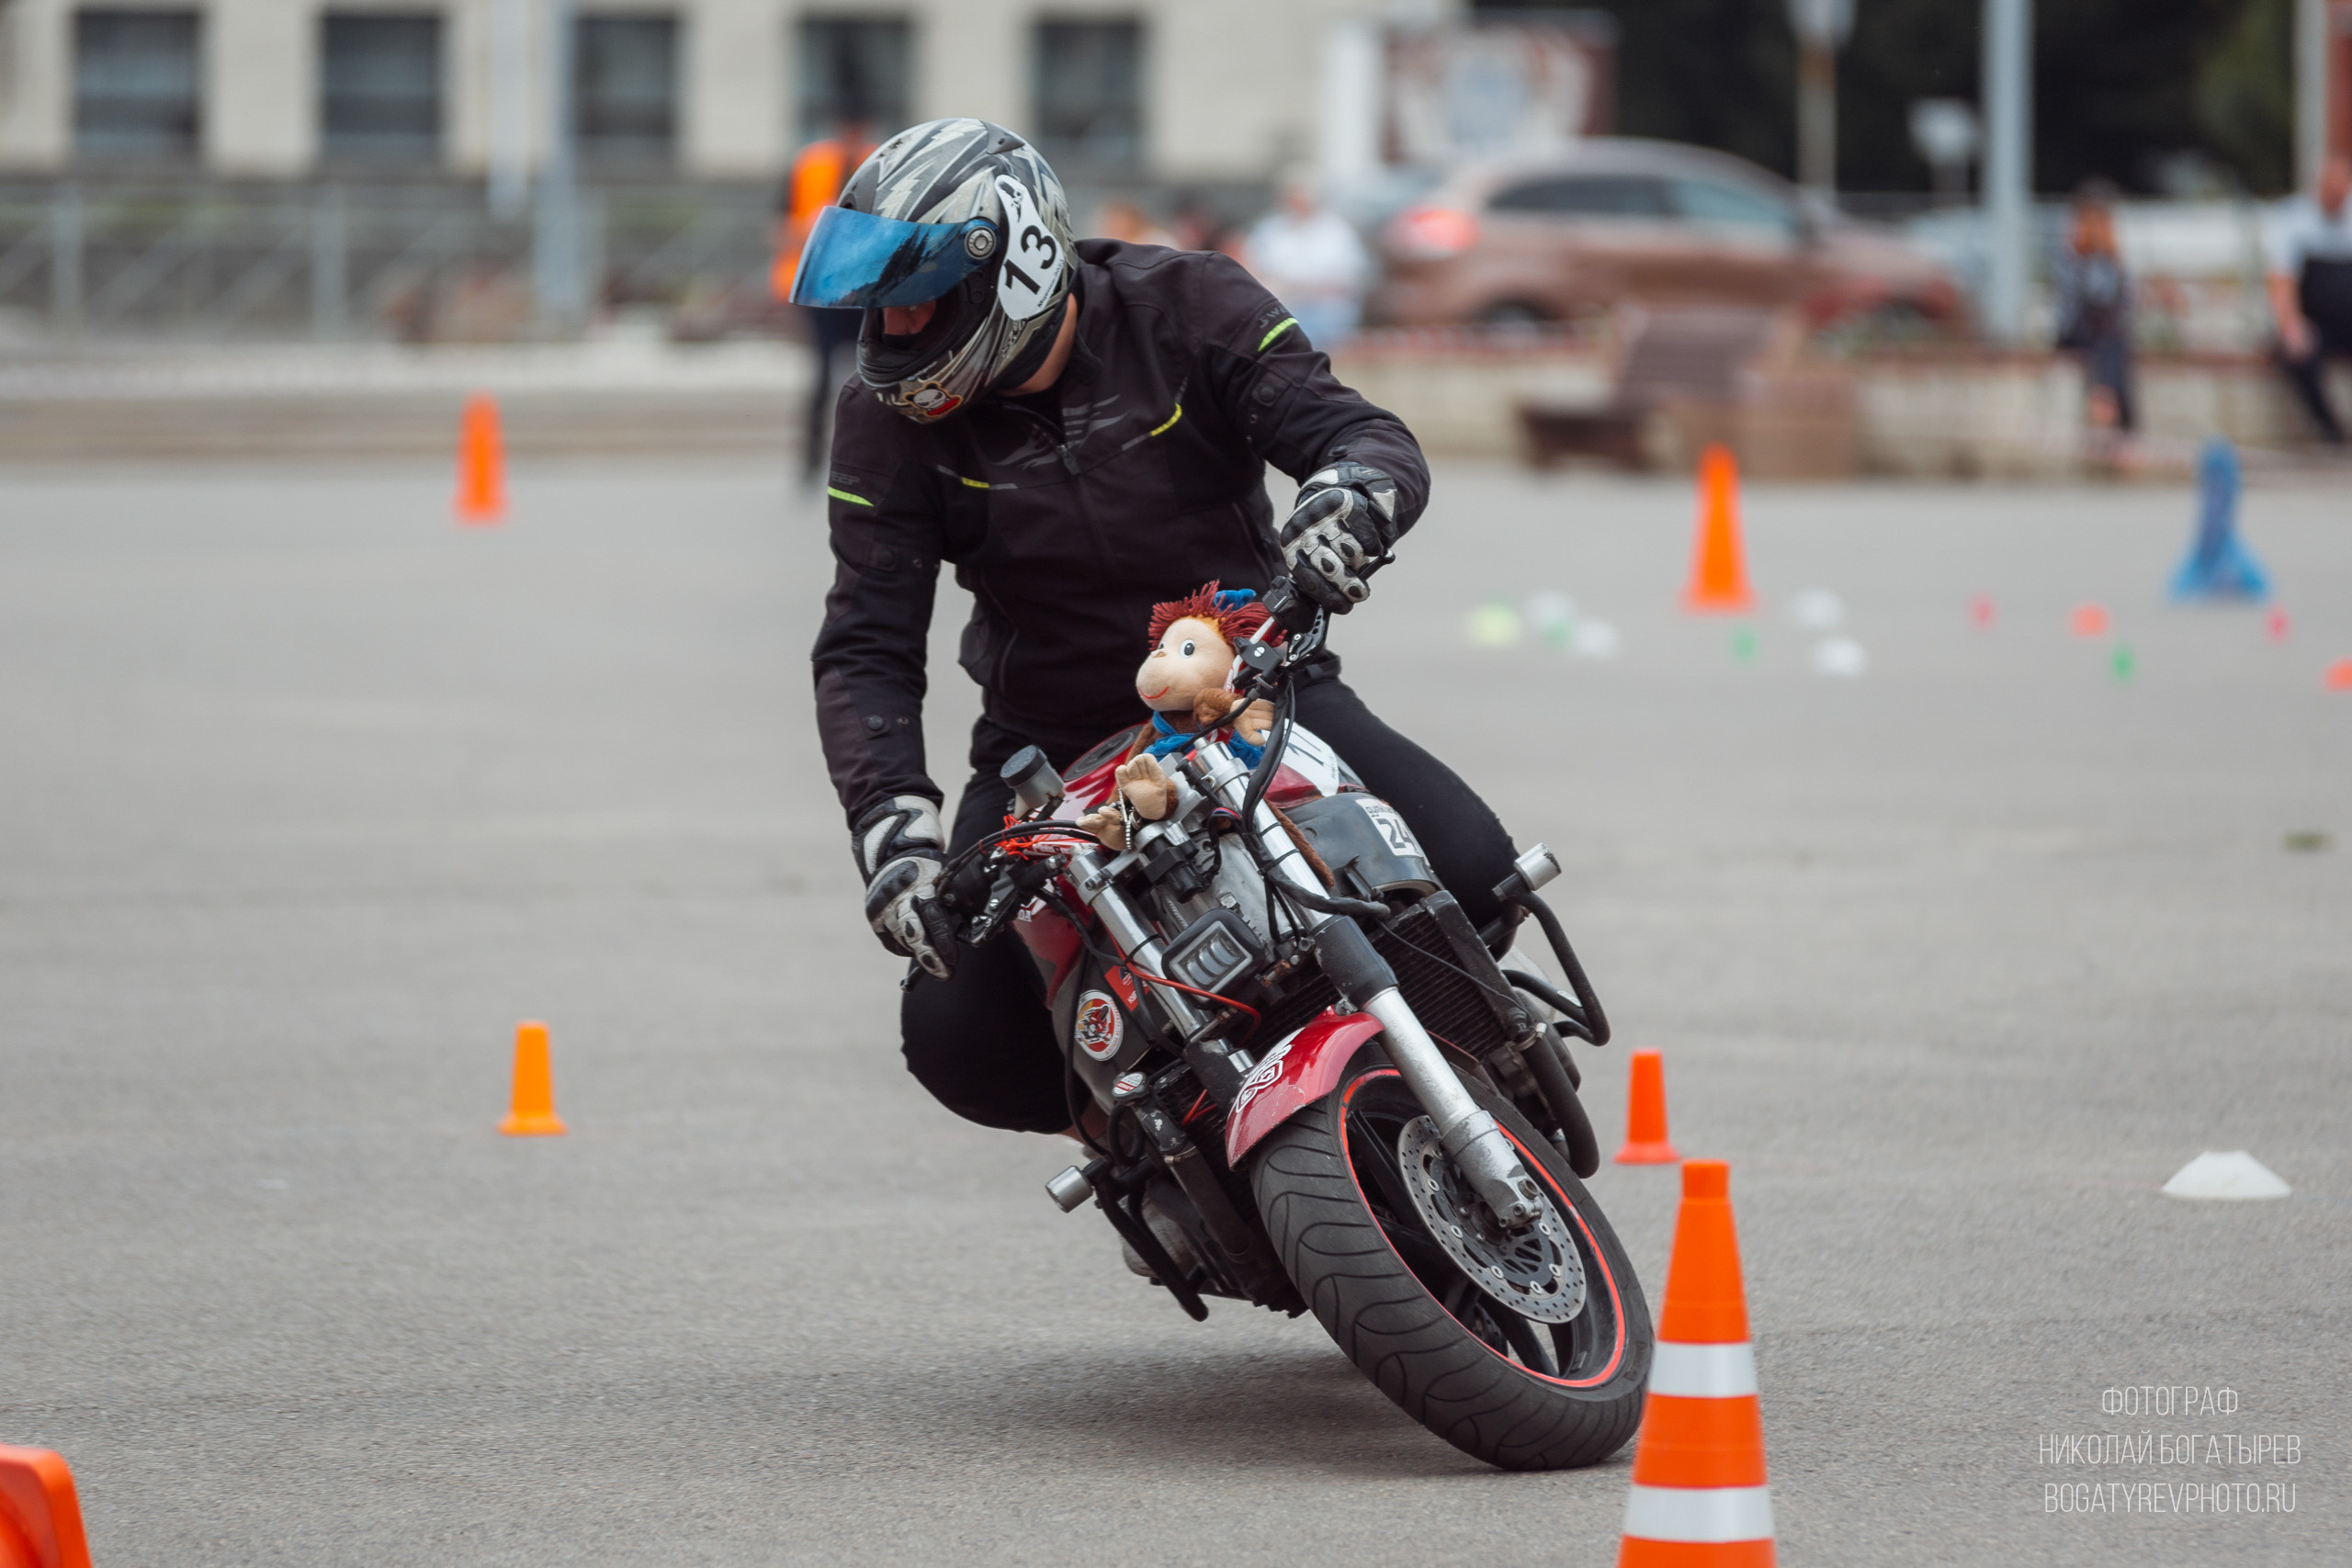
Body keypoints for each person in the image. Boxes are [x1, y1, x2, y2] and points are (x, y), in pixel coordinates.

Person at [797, 118, 1521, 1136]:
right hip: (1044, 746)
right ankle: (1164, 1140)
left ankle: (1467, 1056)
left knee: (1475, 865)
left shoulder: (1188, 305)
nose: (897, 329)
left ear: (1018, 259)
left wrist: (1349, 501)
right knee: (957, 1040)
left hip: (1250, 680)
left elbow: (1357, 433)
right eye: (884, 306)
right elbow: (866, 641)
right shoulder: (885, 421)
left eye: (918, 297)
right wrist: (892, 829)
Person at [775, 117, 876, 482]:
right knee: (821, 374)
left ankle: (863, 457)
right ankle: (813, 459)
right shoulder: (811, 164)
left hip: (862, 287)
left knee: (868, 374)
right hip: (820, 285)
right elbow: (782, 223)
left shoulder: (875, 163)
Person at [2264, 153, 2352, 445]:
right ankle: (2330, 431)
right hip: (2315, 324)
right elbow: (2281, 279)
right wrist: (2291, 325)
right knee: (2298, 354)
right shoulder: (2294, 218)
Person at [1242, 174, 1372, 350]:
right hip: (1282, 304)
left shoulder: (1337, 231)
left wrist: (1312, 289)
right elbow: (1255, 271)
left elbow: (1350, 277)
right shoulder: (1269, 231)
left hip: (1326, 307)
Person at [2052, 180, 2135, 452]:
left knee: (2114, 344)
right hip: (2078, 331)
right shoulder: (2071, 259)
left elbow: (2125, 302)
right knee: (2109, 343)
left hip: (2104, 336)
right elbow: (2083, 301)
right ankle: (2116, 418)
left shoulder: (2113, 261)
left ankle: (2105, 408)